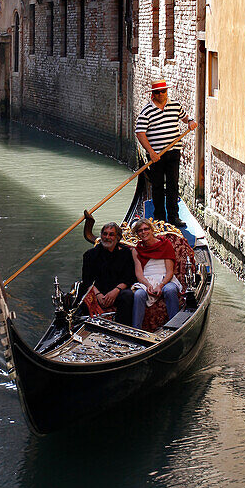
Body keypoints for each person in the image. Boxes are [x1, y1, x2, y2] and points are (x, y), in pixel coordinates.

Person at [135, 78, 197, 227]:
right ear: (153, 94)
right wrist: (151, 152)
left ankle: (173, 217)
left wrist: (190, 121)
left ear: (166, 91)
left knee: (172, 185)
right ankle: (159, 218)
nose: (162, 94)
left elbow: (185, 117)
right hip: (156, 156)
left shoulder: (175, 105)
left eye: (164, 91)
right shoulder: (146, 111)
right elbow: (140, 132)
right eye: (158, 92)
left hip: (174, 152)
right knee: (157, 186)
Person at [80, 211, 138, 325]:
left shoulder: (126, 253)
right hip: (96, 291)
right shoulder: (90, 254)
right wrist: (98, 294)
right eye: (104, 234)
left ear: (117, 238)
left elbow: (130, 277)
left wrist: (115, 291)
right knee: (82, 295)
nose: (107, 237)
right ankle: (86, 327)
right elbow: (87, 280)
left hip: (117, 292)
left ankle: (122, 328)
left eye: (111, 234)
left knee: (128, 296)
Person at [131, 217, 182, 330]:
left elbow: (170, 271)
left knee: (170, 290)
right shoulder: (136, 250)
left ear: (151, 230)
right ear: (137, 234)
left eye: (146, 229)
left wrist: (160, 285)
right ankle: (136, 330)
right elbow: (139, 274)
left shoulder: (165, 244)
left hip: (165, 279)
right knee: (138, 295)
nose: (144, 232)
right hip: (147, 280)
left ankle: (175, 327)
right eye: (140, 230)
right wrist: (149, 285)